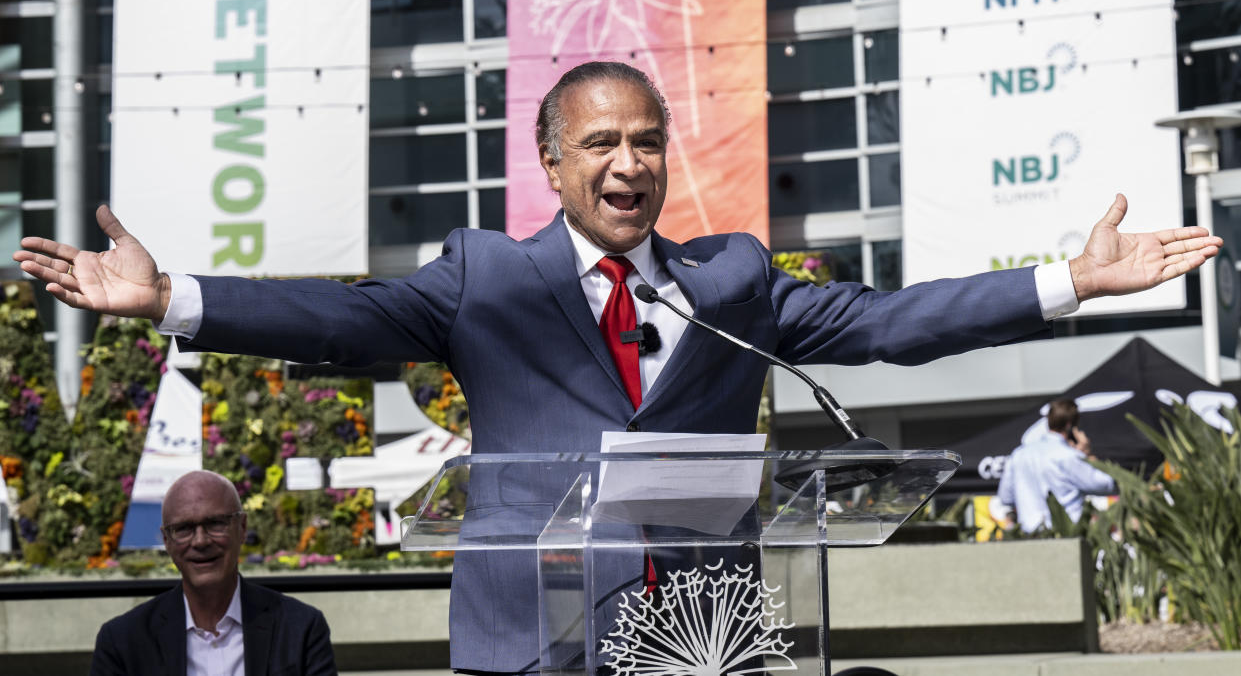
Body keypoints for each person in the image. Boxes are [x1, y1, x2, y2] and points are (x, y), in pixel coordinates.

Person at [16, 61, 1221, 673]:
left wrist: (1067, 283)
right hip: (526, 645)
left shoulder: (732, 280)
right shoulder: (484, 277)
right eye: (602, 143)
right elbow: (346, 318)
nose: (630, 164)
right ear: (553, 161)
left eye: (648, 142)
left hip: (702, 639)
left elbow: (890, 324)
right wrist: (173, 298)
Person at [89, 470, 336, 676]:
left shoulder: (301, 629)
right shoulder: (123, 642)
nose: (200, 541)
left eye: (216, 523)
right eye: (184, 528)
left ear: (242, 528)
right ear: (167, 541)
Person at [996, 399, 1117, 533]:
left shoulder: (1019, 454)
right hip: (1067, 535)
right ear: (1070, 426)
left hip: (1030, 536)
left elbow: (1005, 497)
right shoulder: (1068, 456)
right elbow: (1107, 484)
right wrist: (1089, 455)